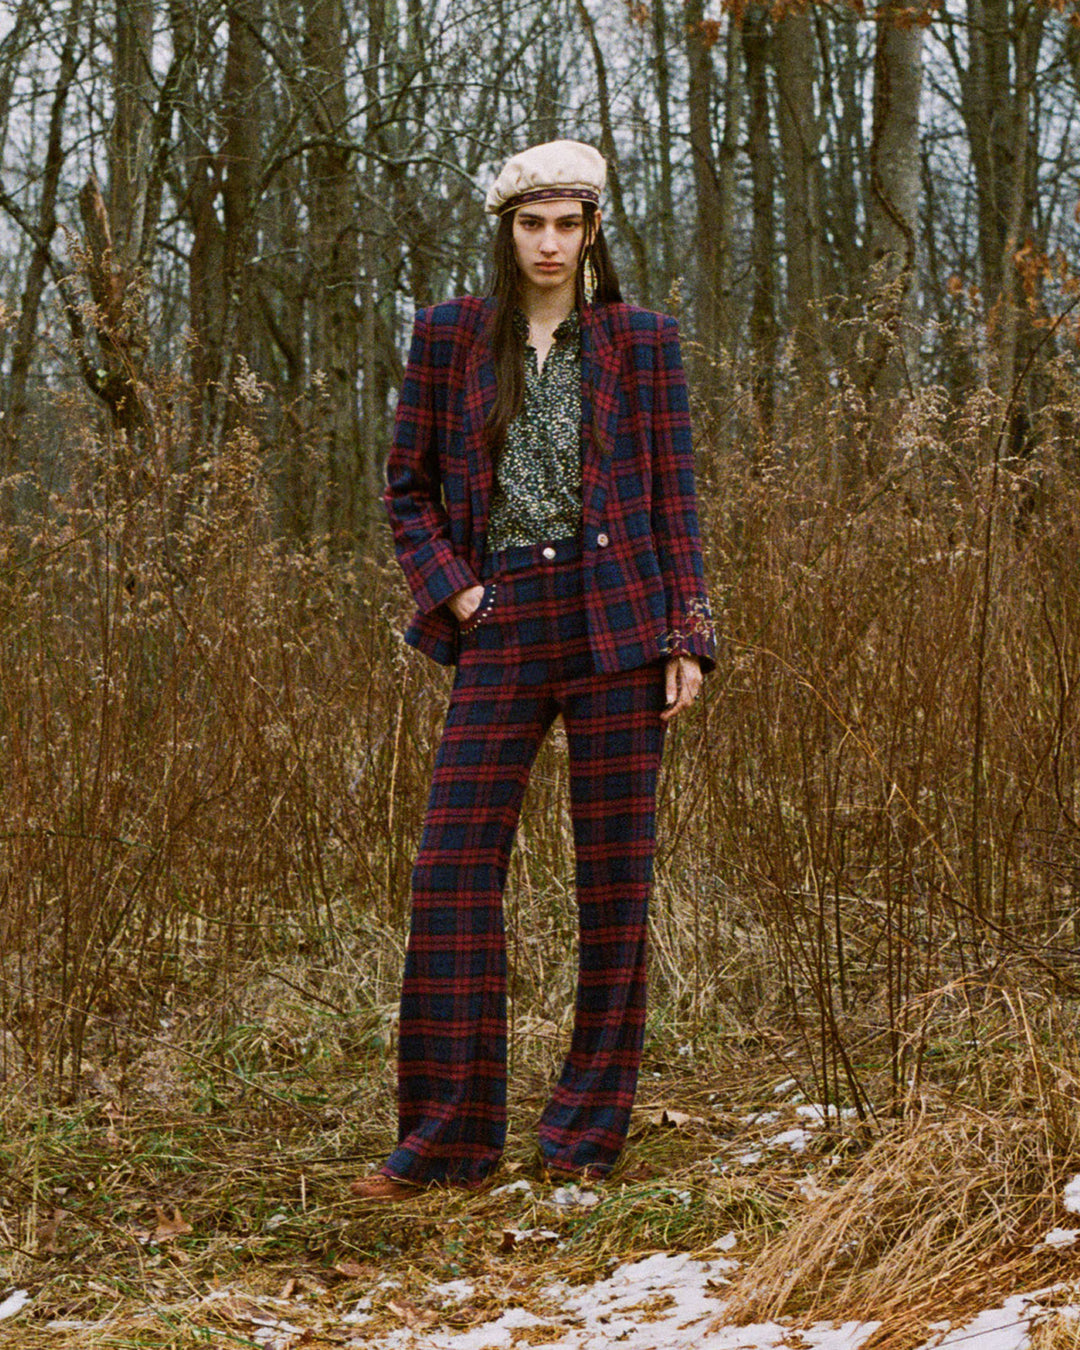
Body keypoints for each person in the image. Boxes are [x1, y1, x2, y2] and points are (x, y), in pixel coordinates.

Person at [351, 140, 715, 1201]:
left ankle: (583, 1136)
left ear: (593, 227)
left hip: (620, 625)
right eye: (532, 223)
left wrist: (689, 632)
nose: (550, 242)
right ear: (506, 229)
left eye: (569, 222)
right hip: (503, 619)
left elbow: (675, 498)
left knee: (614, 884)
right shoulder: (452, 337)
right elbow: (406, 490)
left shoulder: (643, 344)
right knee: (452, 870)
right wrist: (457, 590)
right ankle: (446, 1140)